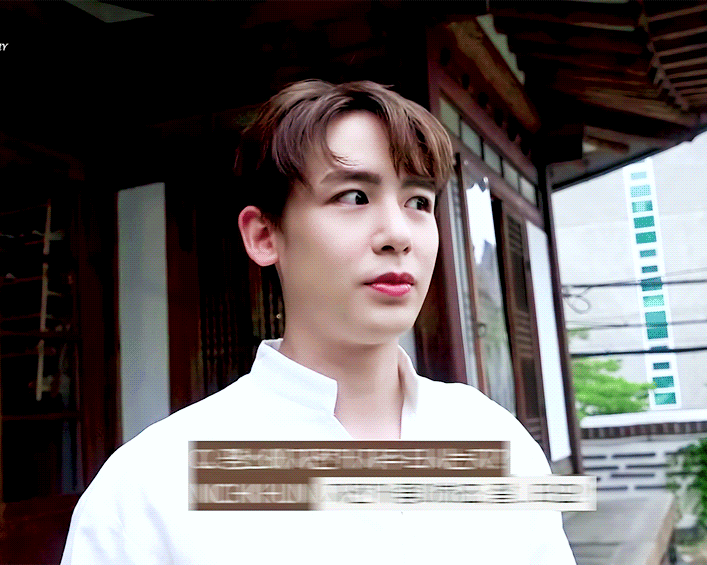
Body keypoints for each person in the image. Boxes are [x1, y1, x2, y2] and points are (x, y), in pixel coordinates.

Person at [61, 80, 576, 564]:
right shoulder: (153, 483)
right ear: (264, 235)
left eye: (418, 202)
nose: (398, 234)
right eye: (354, 196)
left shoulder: (492, 439)